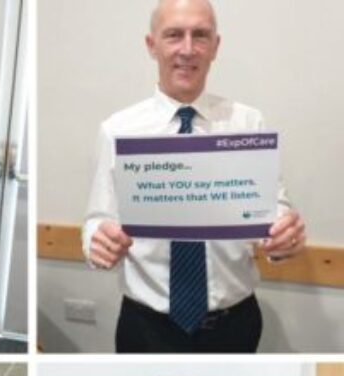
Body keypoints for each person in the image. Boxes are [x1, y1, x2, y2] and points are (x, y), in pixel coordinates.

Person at [82, 0, 306, 353]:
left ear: (216, 46)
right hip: (146, 327)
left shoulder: (248, 124)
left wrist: (283, 236)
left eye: (200, 35)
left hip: (235, 324)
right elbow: (98, 220)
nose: (188, 49)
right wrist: (96, 243)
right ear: (151, 45)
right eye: (174, 35)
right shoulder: (117, 131)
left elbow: (273, 210)